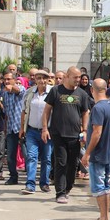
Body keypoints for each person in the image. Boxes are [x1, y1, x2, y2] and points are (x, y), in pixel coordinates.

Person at [42, 66, 90, 204]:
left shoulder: (82, 94)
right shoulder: (56, 90)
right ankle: (60, 192)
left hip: (75, 135)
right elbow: (47, 110)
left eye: (79, 77)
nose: (78, 80)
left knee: (73, 164)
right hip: (58, 134)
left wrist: (85, 130)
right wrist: (45, 128)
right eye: (75, 77)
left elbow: (85, 112)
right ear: (67, 76)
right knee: (61, 162)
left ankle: (68, 187)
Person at [81, 79, 110, 220]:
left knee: (99, 186)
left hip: (98, 153)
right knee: (105, 185)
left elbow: (97, 132)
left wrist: (87, 153)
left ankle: (104, 218)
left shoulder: (97, 108)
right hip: (109, 152)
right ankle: (104, 216)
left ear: (92, 90)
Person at [20, 70, 53, 194]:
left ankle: (44, 183)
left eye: (44, 78)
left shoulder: (52, 92)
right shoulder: (29, 93)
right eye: (38, 78)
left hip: (48, 131)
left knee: (46, 158)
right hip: (32, 131)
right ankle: (30, 184)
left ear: (48, 79)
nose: (41, 81)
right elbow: (24, 111)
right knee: (31, 157)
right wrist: (21, 129)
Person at [0, 72, 25, 185]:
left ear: (14, 80)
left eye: (9, 79)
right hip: (10, 128)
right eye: (5, 79)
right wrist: (5, 127)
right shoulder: (4, 94)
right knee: (10, 155)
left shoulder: (21, 89)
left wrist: (12, 87)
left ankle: (30, 179)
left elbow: (18, 91)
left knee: (27, 154)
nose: (6, 81)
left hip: (22, 128)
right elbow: (6, 112)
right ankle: (13, 176)